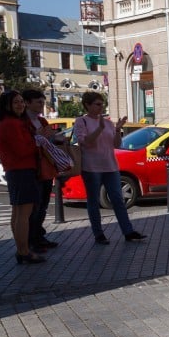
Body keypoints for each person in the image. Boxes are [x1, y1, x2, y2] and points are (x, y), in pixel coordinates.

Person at [74, 91, 147, 245]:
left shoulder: (107, 122)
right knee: (93, 201)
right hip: (91, 167)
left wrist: (117, 129)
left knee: (118, 199)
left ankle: (128, 231)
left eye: (102, 104)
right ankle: (98, 234)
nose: (101, 107)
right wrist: (99, 129)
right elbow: (85, 143)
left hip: (110, 166)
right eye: (97, 104)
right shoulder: (81, 121)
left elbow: (116, 144)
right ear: (87, 105)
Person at [0, 90, 45, 264]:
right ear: (7, 105)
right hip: (21, 170)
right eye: (16, 102)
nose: (21, 105)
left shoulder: (9, 123)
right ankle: (24, 251)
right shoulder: (12, 124)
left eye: (21, 101)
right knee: (23, 214)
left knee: (18, 213)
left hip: (16, 170)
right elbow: (22, 150)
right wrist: (39, 140)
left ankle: (22, 249)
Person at [22, 89, 62, 252]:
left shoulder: (42, 121)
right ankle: (31, 240)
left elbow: (49, 140)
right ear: (28, 103)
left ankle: (39, 235)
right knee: (35, 206)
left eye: (42, 102)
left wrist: (57, 138)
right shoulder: (24, 122)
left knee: (43, 204)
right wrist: (38, 136)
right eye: (38, 102)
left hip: (46, 166)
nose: (41, 105)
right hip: (34, 167)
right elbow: (26, 143)